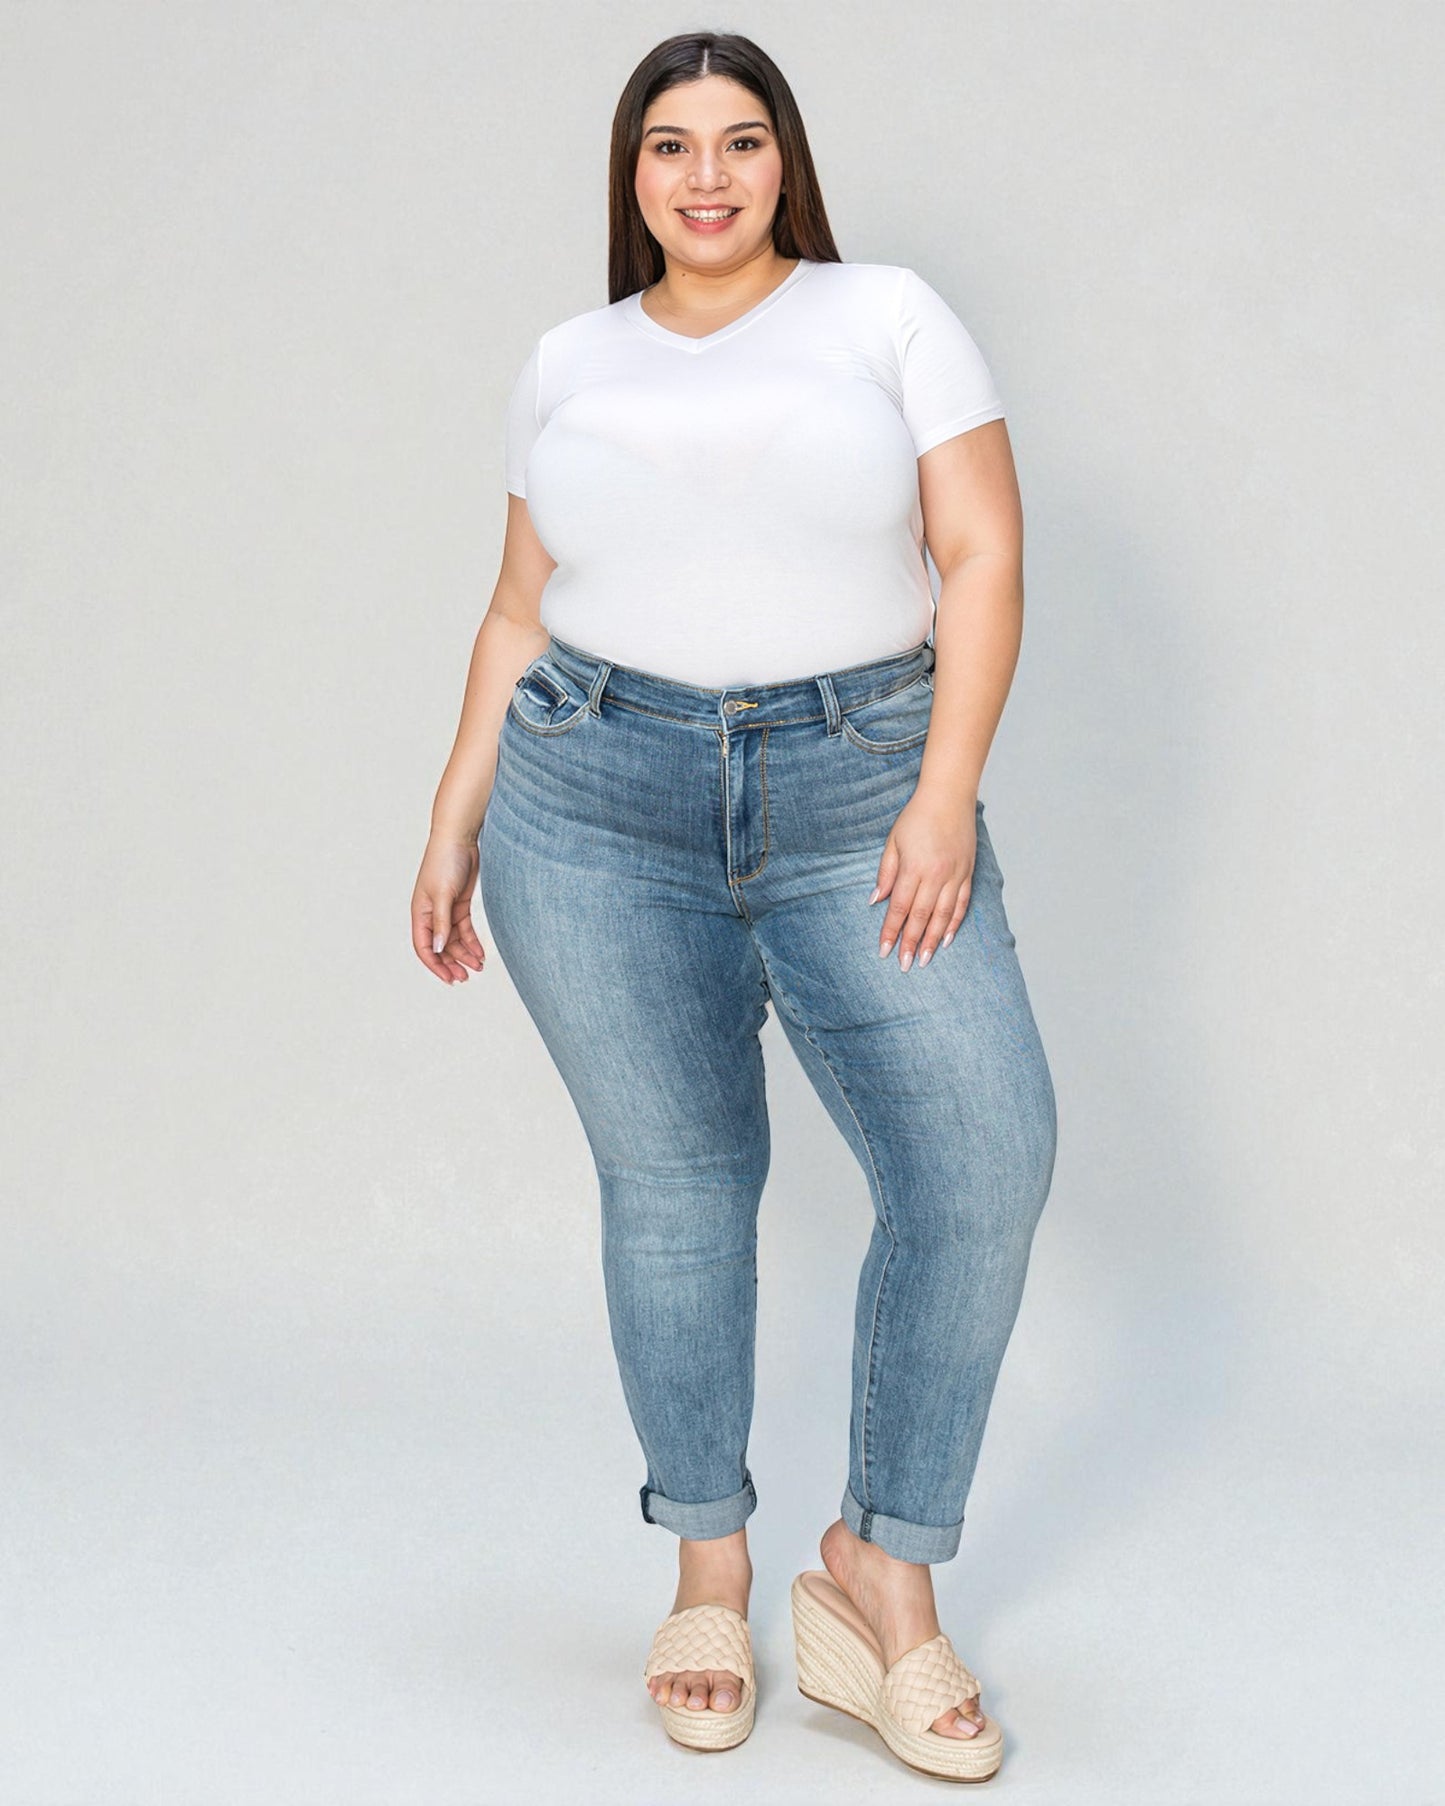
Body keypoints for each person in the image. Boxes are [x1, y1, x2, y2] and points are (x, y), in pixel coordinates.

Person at [411, 30, 1057, 1785]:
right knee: (681, 1187)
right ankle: (707, 1563)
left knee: (982, 1156)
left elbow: (982, 550)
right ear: (629, 177)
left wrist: (939, 795)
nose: (707, 177)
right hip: (593, 801)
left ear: (786, 165)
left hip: (860, 783)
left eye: (742, 142)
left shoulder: (887, 317)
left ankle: (880, 1574)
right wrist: (455, 809)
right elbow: (518, 606)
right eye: (671, 147)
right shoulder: (568, 359)